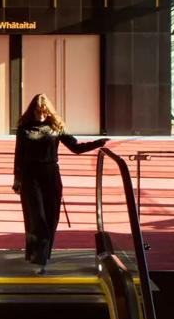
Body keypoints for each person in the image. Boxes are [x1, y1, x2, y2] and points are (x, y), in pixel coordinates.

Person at [12, 92, 107, 270]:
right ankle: (39, 261)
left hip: (51, 175)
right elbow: (19, 156)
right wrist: (17, 180)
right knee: (36, 217)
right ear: (32, 111)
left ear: (48, 112)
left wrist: (98, 143)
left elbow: (75, 148)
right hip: (30, 176)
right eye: (37, 112)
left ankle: (40, 255)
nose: (41, 115)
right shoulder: (24, 129)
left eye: (44, 112)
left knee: (51, 218)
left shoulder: (56, 127)